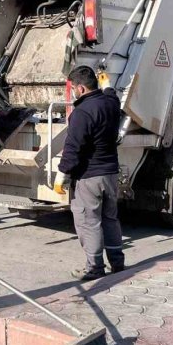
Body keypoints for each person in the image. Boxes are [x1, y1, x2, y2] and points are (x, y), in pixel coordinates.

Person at [54, 66, 125, 281]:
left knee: (89, 221)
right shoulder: (111, 104)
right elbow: (112, 95)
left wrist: (62, 174)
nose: (74, 91)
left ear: (82, 88)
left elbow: (73, 148)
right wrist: (108, 84)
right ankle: (117, 262)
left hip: (89, 176)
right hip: (110, 173)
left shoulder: (82, 113)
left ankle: (94, 267)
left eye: (74, 88)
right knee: (110, 218)